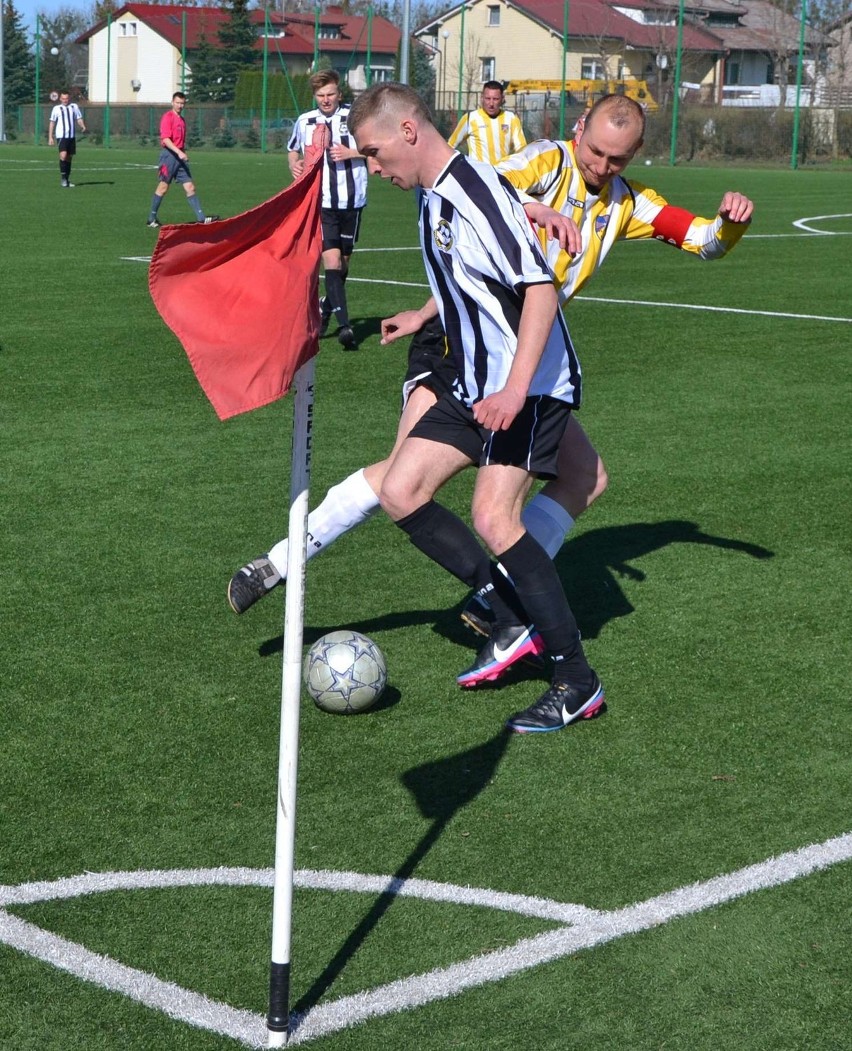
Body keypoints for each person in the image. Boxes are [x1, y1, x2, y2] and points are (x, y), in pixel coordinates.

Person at [228, 94, 754, 638]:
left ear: (635, 154)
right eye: (595, 151)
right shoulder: (547, 160)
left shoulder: (629, 204)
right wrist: (534, 210)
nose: (601, 166)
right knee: (400, 479)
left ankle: (498, 595)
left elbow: (706, 241)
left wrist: (730, 223)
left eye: (617, 160)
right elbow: (475, 190)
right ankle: (281, 562)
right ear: (579, 130)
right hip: (459, 345)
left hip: (514, 355)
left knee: (585, 477)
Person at [288, 70, 367, 351]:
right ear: (315, 97)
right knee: (331, 263)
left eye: (330, 94)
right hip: (322, 203)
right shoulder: (306, 121)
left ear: (339, 94)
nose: (326, 99)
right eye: (321, 95)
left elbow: (375, 149)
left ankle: (325, 307)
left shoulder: (355, 118)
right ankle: (345, 327)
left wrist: (352, 153)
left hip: (354, 200)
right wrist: (294, 165)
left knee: (343, 265)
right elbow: (293, 150)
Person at [146, 93, 219, 228]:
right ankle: (151, 219)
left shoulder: (182, 120)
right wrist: (179, 152)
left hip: (179, 157)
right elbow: (166, 139)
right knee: (163, 187)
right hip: (169, 156)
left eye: (182, 103)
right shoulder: (168, 117)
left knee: (190, 187)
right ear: (172, 102)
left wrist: (182, 153)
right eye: (178, 102)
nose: (180, 105)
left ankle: (202, 218)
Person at [447, 81, 526, 164]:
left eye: (495, 99)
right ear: (482, 98)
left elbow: (522, 151)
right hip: (478, 175)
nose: (491, 103)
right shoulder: (470, 118)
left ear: (502, 99)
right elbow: (450, 145)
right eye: (488, 98)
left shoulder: (511, 118)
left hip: (501, 174)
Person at [48, 91, 86, 189]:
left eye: (67, 98)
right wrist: (50, 137)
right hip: (61, 136)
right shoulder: (56, 109)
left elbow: (79, 118)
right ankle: (63, 179)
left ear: (69, 98)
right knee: (63, 156)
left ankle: (67, 180)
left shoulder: (74, 107)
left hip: (71, 136)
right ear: (60, 99)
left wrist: (82, 126)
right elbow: (52, 122)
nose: (65, 100)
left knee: (69, 158)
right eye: (63, 98)